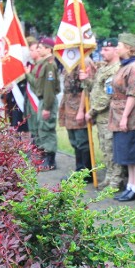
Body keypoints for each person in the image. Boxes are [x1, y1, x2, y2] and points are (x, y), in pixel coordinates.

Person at [109, 33, 135, 202]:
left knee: (134, 151)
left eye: (119, 45)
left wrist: (125, 117)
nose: (117, 48)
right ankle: (130, 186)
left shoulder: (134, 66)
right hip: (120, 113)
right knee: (127, 153)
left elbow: (133, 93)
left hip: (132, 114)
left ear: (128, 48)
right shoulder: (124, 65)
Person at [81, 38, 122, 190]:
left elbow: (107, 95)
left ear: (115, 51)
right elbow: (96, 88)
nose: (102, 52)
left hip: (109, 116)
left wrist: (91, 111)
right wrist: (87, 80)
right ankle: (110, 176)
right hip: (101, 117)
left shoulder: (115, 69)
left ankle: (116, 180)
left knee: (111, 149)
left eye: (106, 50)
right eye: (102, 50)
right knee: (105, 149)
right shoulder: (104, 67)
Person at [59, 53, 95, 181]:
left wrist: (82, 110)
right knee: (75, 141)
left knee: (82, 141)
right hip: (69, 106)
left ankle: (86, 172)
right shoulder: (70, 60)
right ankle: (79, 169)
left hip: (79, 106)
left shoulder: (84, 61)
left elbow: (86, 90)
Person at [28, 37, 60, 170]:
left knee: (47, 129)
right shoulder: (44, 64)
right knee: (42, 128)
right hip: (43, 100)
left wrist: (47, 107)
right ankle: (44, 158)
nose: (39, 49)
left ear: (48, 49)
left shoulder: (50, 65)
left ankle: (50, 160)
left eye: (41, 47)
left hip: (48, 101)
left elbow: (49, 88)